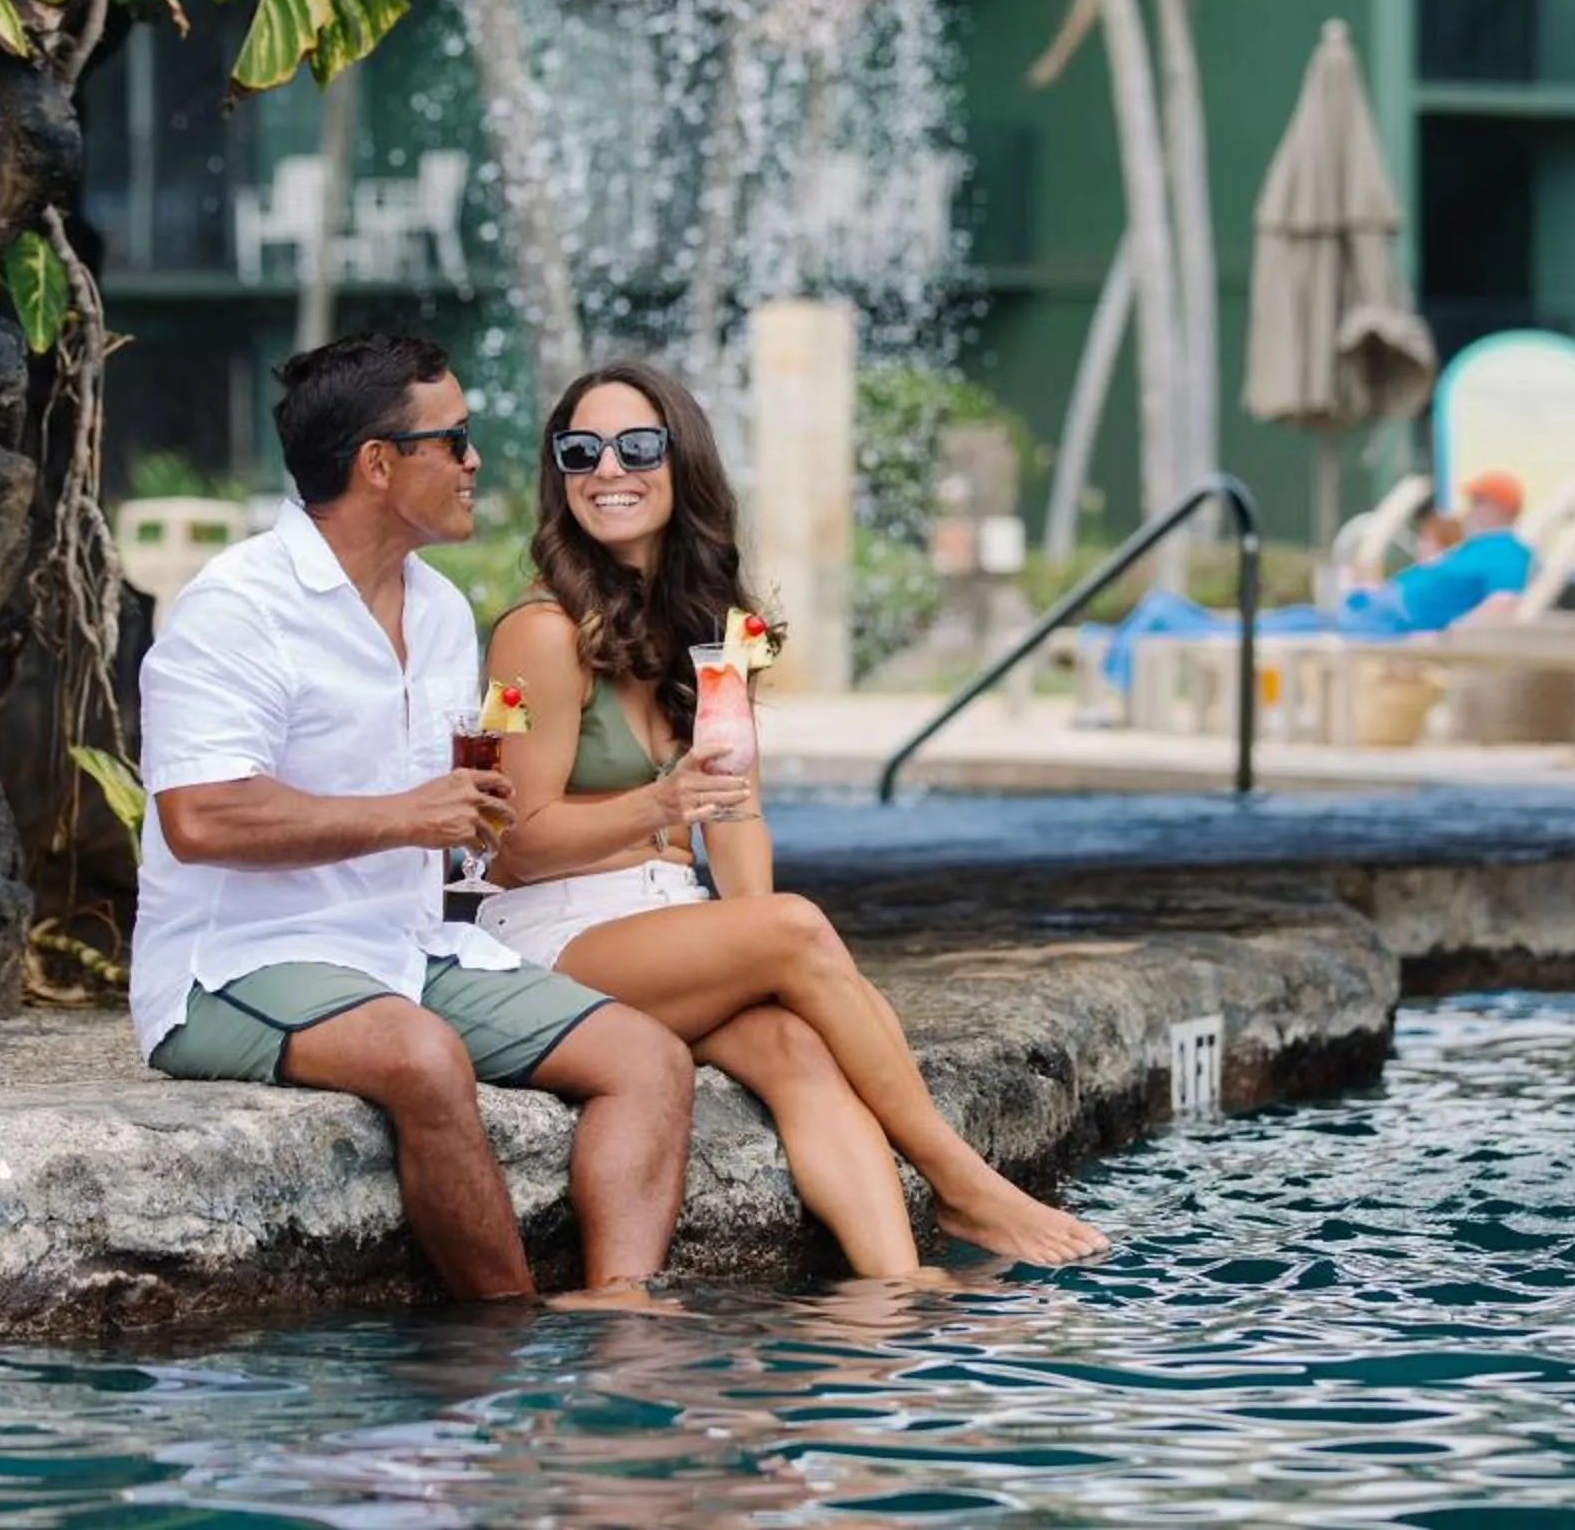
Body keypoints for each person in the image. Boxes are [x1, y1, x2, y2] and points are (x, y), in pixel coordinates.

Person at [474, 360, 1112, 1275]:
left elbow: (736, 816)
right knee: (797, 929)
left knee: (794, 1044)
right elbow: (515, 846)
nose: (607, 469)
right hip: (553, 931)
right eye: (581, 452)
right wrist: (660, 809)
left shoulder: (722, 629)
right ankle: (960, 1182)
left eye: (636, 446)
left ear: (680, 459)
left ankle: (893, 1302)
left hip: (665, 928)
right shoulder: (537, 633)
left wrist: (747, 943)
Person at [132, 333, 699, 1305]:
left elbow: (455, 811)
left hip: (404, 947)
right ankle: (509, 1340)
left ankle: (620, 1319)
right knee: (424, 1059)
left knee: (648, 1056)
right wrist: (406, 815)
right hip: (234, 963)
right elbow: (201, 817)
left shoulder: (437, 609)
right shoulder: (237, 607)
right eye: (457, 439)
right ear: (379, 463)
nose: (478, 461)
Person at [1338, 469, 1531, 635]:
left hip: (1398, 621)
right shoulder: (1476, 547)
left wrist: (1446, 637)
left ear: (1500, 509)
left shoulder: (1509, 553)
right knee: (1318, 620)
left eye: (1477, 502)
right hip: (1386, 610)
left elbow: (1503, 603)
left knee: (1313, 627)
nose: (1470, 509)